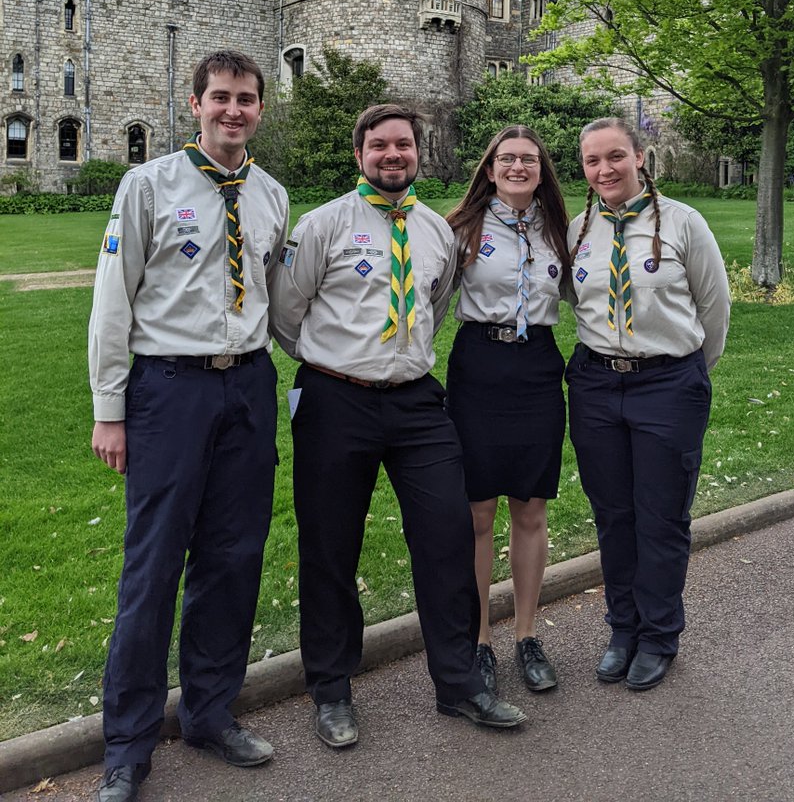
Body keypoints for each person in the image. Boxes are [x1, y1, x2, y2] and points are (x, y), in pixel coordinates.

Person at [269, 103, 526, 749]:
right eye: (380, 146)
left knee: (447, 537)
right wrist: (336, 365)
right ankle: (331, 689)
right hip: (335, 400)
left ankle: (459, 684)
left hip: (415, 402)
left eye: (404, 146)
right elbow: (284, 313)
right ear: (359, 155)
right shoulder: (324, 224)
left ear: (419, 153)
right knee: (330, 548)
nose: (393, 155)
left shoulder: (436, 231)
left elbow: (434, 308)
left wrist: (394, 363)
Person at [88, 50, 289, 802]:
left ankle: (210, 713)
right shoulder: (149, 186)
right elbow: (113, 300)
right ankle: (128, 744)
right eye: (221, 98)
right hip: (169, 389)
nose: (233, 110)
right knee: (153, 565)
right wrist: (111, 410)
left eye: (246, 100)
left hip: (246, 386)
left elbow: (275, 297)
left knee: (233, 558)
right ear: (196, 103)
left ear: (260, 109)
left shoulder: (271, 195)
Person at [565, 117, 730, 692]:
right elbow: (574, 300)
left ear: (640, 157)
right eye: (593, 161)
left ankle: (659, 635)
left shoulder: (683, 222)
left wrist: (684, 377)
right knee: (613, 516)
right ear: (583, 169)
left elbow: (714, 310)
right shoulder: (577, 228)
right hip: (595, 384)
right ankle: (623, 628)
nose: (605, 169)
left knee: (660, 519)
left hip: (667, 385)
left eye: (616, 156)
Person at [445, 126, 570, 695]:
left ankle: (525, 634)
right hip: (479, 365)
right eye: (507, 159)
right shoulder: (462, 229)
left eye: (529, 159)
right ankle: (479, 640)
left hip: (538, 369)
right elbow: (426, 298)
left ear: (541, 170)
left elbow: (586, 295)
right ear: (490, 169)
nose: (518, 167)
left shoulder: (562, 233)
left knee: (530, 508)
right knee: (477, 515)